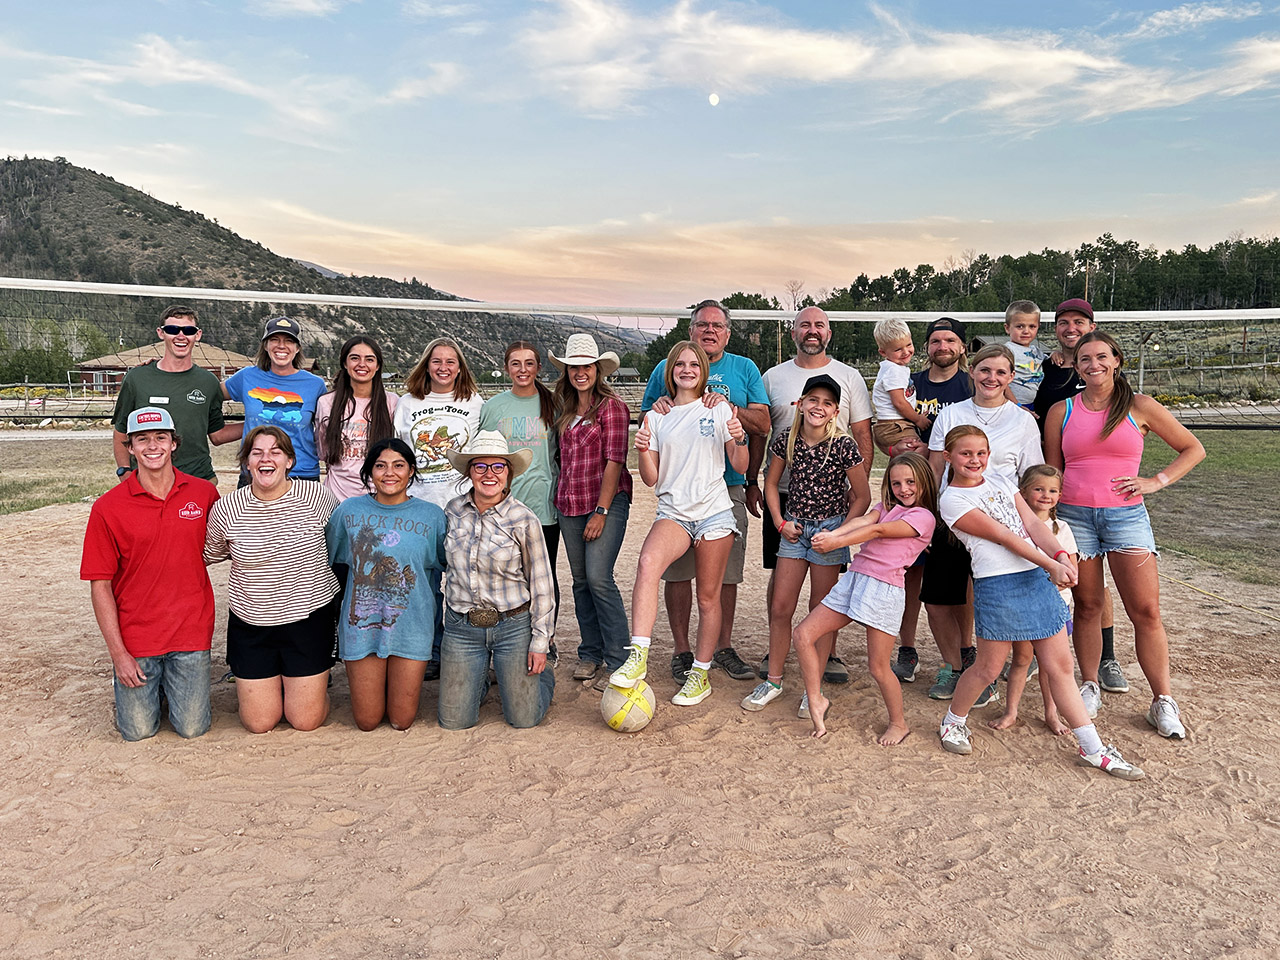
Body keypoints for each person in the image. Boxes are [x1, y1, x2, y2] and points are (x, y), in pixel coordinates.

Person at [935, 425, 1144, 779]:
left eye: (981, 453)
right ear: (948, 457)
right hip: (998, 584)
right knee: (987, 668)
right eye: (965, 453)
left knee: (1060, 667)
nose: (975, 460)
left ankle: (1093, 748)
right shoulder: (951, 500)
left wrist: (1061, 554)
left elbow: (1031, 523)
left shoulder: (1000, 478)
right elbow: (1003, 537)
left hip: (1034, 577)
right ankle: (953, 721)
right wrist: (1051, 565)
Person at [1044, 330, 1205, 739]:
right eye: (1085, 359)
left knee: (1145, 610)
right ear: (1075, 365)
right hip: (1076, 518)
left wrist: (1157, 480)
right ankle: (1090, 684)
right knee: (1088, 606)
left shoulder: (1139, 406)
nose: (1093, 364)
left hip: (1125, 517)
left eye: (1101, 356)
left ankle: (1162, 700)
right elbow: (1051, 472)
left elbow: (1193, 448)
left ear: (1116, 360)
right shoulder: (1061, 410)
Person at [612, 341, 748, 706]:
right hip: (674, 512)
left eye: (693, 364)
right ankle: (638, 655)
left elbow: (742, 464)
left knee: (707, 596)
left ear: (703, 370)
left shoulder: (718, 408)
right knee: (647, 564)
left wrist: (739, 436)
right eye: (679, 365)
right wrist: (642, 449)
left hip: (714, 512)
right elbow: (651, 478)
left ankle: (700, 674)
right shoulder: (657, 416)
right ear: (670, 371)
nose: (686, 370)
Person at [641, 299, 770, 684]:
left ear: (727, 334)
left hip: (725, 485)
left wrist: (727, 407)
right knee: (677, 574)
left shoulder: (743, 368)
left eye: (717, 325)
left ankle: (722, 646)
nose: (709, 330)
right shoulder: (668, 368)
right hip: (679, 491)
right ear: (691, 331)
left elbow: (762, 422)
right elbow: (653, 414)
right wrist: (671, 402)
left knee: (723, 577)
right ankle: (682, 650)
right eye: (702, 325)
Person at [748, 306, 875, 684]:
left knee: (823, 605)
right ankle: (775, 668)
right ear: (798, 404)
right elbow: (768, 462)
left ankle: (817, 675)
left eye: (819, 324)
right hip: (792, 514)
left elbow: (861, 491)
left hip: (830, 525)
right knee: (781, 598)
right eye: (805, 324)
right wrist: (779, 518)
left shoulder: (847, 397)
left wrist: (843, 532)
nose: (812, 330)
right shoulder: (775, 382)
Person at [81, 407, 220, 741]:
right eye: (142, 439)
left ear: (174, 443)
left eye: (161, 437)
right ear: (130, 448)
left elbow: (231, 547)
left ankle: (167, 688)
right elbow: (100, 585)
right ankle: (145, 689)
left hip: (190, 630)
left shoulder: (204, 494)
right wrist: (119, 656)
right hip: (137, 637)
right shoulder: (108, 507)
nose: (152, 446)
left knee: (191, 728)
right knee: (138, 731)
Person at [790, 452, 937, 742]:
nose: (903, 489)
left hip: (884, 589)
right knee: (803, 634)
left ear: (924, 483)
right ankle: (816, 697)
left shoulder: (924, 516)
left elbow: (878, 530)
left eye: (910, 482)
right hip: (856, 579)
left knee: (878, 667)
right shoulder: (887, 506)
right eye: (896, 483)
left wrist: (837, 541)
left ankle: (899, 723)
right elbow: (865, 520)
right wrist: (835, 534)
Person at [204, 426, 340, 733]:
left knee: (305, 720)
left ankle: (308, 688)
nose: (267, 459)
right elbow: (210, 553)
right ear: (247, 463)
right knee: (259, 722)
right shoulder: (227, 509)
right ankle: (275, 685)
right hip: (252, 620)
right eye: (257, 453)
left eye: (276, 452)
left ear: (289, 461)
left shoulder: (317, 498)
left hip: (307, 617)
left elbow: (339, 542)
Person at [1033, 299, 1127, 694]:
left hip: (1107, 499)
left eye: (1079, 322)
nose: (1070, 328)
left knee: (1095, 588)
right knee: (1064, 580)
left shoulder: (1112, 382)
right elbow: (1043, 413)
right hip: (1061, 489)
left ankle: (1107, 659)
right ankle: (1039, 655)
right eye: (1063, 323)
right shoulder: (1050, 370)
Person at [438, 432, 556, 729]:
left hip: (512, 627)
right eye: (480, 467)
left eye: (498, 467)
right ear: (469, 471)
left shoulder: (524, 519)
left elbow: (542, 584)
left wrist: (540, 642)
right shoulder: (452, 511)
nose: (489, 474)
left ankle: (544, 677)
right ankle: (478, 678)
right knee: (454, 720)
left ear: (509, 473)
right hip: (462, 627)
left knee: (524, 719)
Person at [326, 438, 445, 731]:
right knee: (366, 721)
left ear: (411, 471)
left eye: (399, 465)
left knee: (401, 720)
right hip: (362, 627)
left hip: (412, 626)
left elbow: (448, 566)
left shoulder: (432, 516)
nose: (389, 473)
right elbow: (330, 561)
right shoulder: (348, 512)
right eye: (380, 466)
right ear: (369, 472)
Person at [548, 335, 632, 690]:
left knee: (599, 577)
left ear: (598, 370)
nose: (580, 372)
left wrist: (601, 510)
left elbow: (615, 460)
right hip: (569, 502)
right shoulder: (565, 409)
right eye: (574, 366)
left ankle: (619, 657)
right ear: (567, 371)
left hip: (604, 502)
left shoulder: (611, 408)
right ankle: (590, 652)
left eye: (586, 366)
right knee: (581, 581)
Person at [900, 318, 975, 698]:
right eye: (934, 340)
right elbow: (892, 422)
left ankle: (965, 650)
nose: (941, 345)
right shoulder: (912, 383)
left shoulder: (973, 383)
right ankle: (908, 648)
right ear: (926, 347)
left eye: (949, 340)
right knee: (911, 576)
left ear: (962, 347)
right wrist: (901, 445)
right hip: (920, 487)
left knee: (960, 582)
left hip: (960, 493)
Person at [480, 341, 562, 625]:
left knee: (544, 576)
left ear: (539, 368)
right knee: (503, 574)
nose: (523, 369)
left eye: (529, 363)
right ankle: (507, 636)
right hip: (502, 507)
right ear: (506, 368)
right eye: (516, 363)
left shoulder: (554, 404)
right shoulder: (493, 407)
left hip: (543, 506)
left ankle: (546, 637)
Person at [990, 464, 1075, 735]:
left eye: (1052, 490)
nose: (1045, 495)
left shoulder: (1062, 529)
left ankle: (1052, 713)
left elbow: (1072, 569)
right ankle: (1011, 711)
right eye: (1038, 489)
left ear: (1060, 495)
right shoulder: (1015, 527)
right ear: (1023, 493)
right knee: (1022, 658)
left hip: (1055, 604)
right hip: (1023, 600)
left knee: (1051, 665)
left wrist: (1060, 576)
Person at [112, 305, 238, 484]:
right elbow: (121, 431)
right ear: (161, 333)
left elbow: (217, 435)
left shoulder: (208, 382)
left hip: (198, 478)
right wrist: (124, 471)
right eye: (172, 329)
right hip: (147, 480)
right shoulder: (136, 378)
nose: (181, 336)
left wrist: (257, 421)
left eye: (188, 330)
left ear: (198, 335)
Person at [222, 317, 327, 481]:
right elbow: (211, 395)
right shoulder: (246, 376)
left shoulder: (315, 384)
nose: (281, 346)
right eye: (274, 340)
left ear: (298, 348)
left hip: (301, 474)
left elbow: (325, 427)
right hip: (256, 472)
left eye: (289, 341)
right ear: (265, 345)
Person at [393, 336, 484, 509]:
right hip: (417, 502)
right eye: (436, 361)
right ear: (426, 367)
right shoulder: (407, 402)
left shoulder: (474, 402)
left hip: (463, 504)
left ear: (459, 368)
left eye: (450, 362)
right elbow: (397, 453)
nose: (443, 368)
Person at [316, 336, 398, 500]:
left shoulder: (392, 402)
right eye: (355, 358)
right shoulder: (327, 403)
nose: (362, 364)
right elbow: (324, 452)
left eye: (369, 359)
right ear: (345, 364)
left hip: (378, 496)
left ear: (378, 365)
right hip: (337, 496)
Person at [871, 317, 930, 453]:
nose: (906, 352)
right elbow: (899, 402)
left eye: (909, 345)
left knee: (905, 457)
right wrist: (918, 419)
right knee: (918, 453)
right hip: (894, 426)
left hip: (894, 424)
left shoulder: (894, 368)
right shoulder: (893, 370)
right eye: (898, 349)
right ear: (883, 352)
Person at [1003, 300, 1047, 411]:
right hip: (1012, 404)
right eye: (1020, 326)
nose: (1026, 331)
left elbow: (1049, 360)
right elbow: (1002, 382)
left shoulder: (1036, 351)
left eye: (1032, 326)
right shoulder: (1007, 351)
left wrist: (1056, 354)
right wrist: (1016, 404)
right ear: (1007, 328)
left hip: (1032, 403)